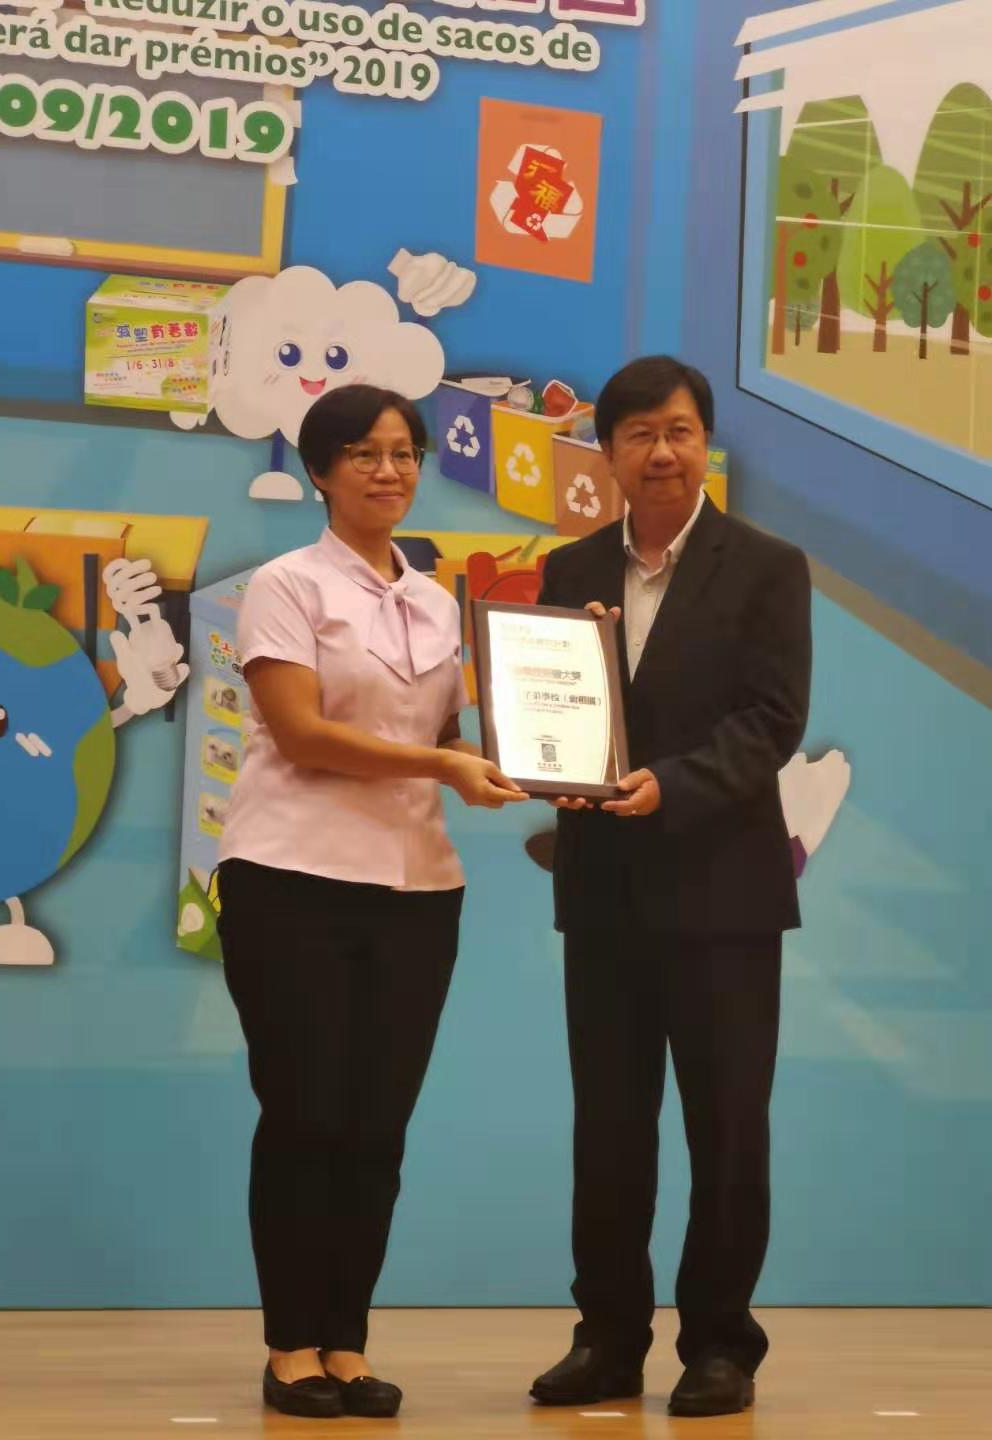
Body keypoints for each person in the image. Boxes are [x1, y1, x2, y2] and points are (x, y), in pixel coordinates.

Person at [217, 384, 525, 1420]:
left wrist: (567, 702)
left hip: (417, 890)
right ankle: (290, 1346)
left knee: (376, 1126)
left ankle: (346, 1341)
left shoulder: (437, 602)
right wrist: (443, 764)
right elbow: (302, 736)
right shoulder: (285, 585)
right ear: (320, 471)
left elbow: (462, 732)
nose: (389, 471)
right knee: (305, 1115)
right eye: (363, 453)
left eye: (404, 452)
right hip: (291, 881)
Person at [529, 356, 812, 1419]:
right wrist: (544, 765)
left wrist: (673, 786)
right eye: (641, 433)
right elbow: (554, 706)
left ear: (706, 444)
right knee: (608, 1129)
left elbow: (772, 720)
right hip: (604, 894)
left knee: (727, 1129)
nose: (663, 452)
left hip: (724, 896)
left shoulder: (767, 566)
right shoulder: (569, 568)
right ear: (607, 452)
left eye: (681, 430)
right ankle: (607, 1339)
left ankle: (721, 1345)